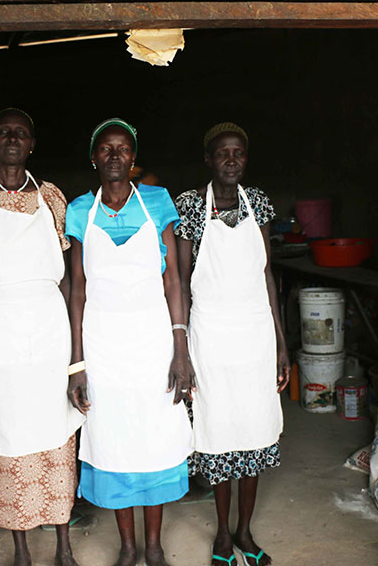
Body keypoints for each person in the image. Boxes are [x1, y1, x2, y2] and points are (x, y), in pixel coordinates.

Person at [0, 108, 85, 566]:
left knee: (56, 429)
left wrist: (75, 356)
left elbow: (68, 281)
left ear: (32, 144)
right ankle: (22, 549)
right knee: (6, 433)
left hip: (49, 327)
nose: (12, 139)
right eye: (4, 132)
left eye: (21, 133)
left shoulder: (51, 198)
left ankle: (63, 544)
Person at [66, 118, 194, 566]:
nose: (115, 155)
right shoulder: (80, 210)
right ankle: (127, 546)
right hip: (102, 344)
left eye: (123, 149)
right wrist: (77, 363)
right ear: (94, 157)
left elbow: (174, 278)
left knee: (153, 436)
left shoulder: (158, 202)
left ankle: (154, 545)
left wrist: (181, 347)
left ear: (133, 158)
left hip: (153, 339)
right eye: (106, 148)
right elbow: (77, 289)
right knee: (115, 438)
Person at [174, 122, 290, 566]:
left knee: (255, 428)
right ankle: (223, 533)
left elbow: (265, 274)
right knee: (219, 430)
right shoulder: (189, 205)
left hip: (255, 333)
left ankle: (245, 530)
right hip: (210, 335)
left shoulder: (256, 202)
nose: (231, 161)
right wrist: (181, 346)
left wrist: (281, 343)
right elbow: (182, 282)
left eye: (238, 153)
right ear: (209, 159)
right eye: (223, 153)